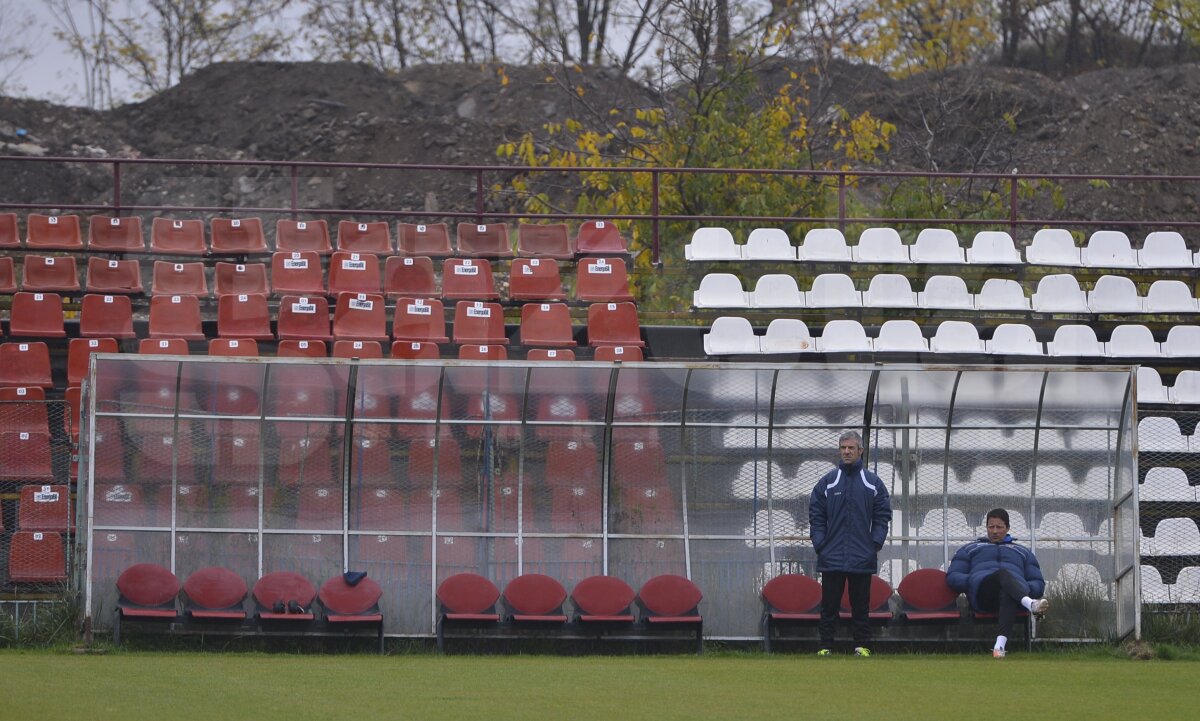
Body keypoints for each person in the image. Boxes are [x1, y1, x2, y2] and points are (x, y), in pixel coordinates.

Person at [809, 429, 892, 657]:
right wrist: (820, 544)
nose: (846, 452)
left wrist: (873, 544)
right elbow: (816, 514)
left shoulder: (873, 482)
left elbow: (882, 515)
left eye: (851, 448)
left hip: (861, 554)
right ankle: (825, 646)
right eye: (843, 448)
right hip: (831, 554)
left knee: (860, 605)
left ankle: (862, 646)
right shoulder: (828, 481)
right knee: (829, 606)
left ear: (861, 451)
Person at [946, 508, 1050, 658]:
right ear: (987, 527)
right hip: (983, 594)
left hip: (1013, 597)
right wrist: (971, 581)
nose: (994, 531)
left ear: (1007, 528)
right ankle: (1031, 604)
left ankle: (999, 647)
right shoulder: (970, 549)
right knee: (1002, 574)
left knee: (1007, 591)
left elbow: (1038, 583)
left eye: (999, 527)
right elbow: (953, 577)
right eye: (991, 527)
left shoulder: (1023, 552)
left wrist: (1022, 588)